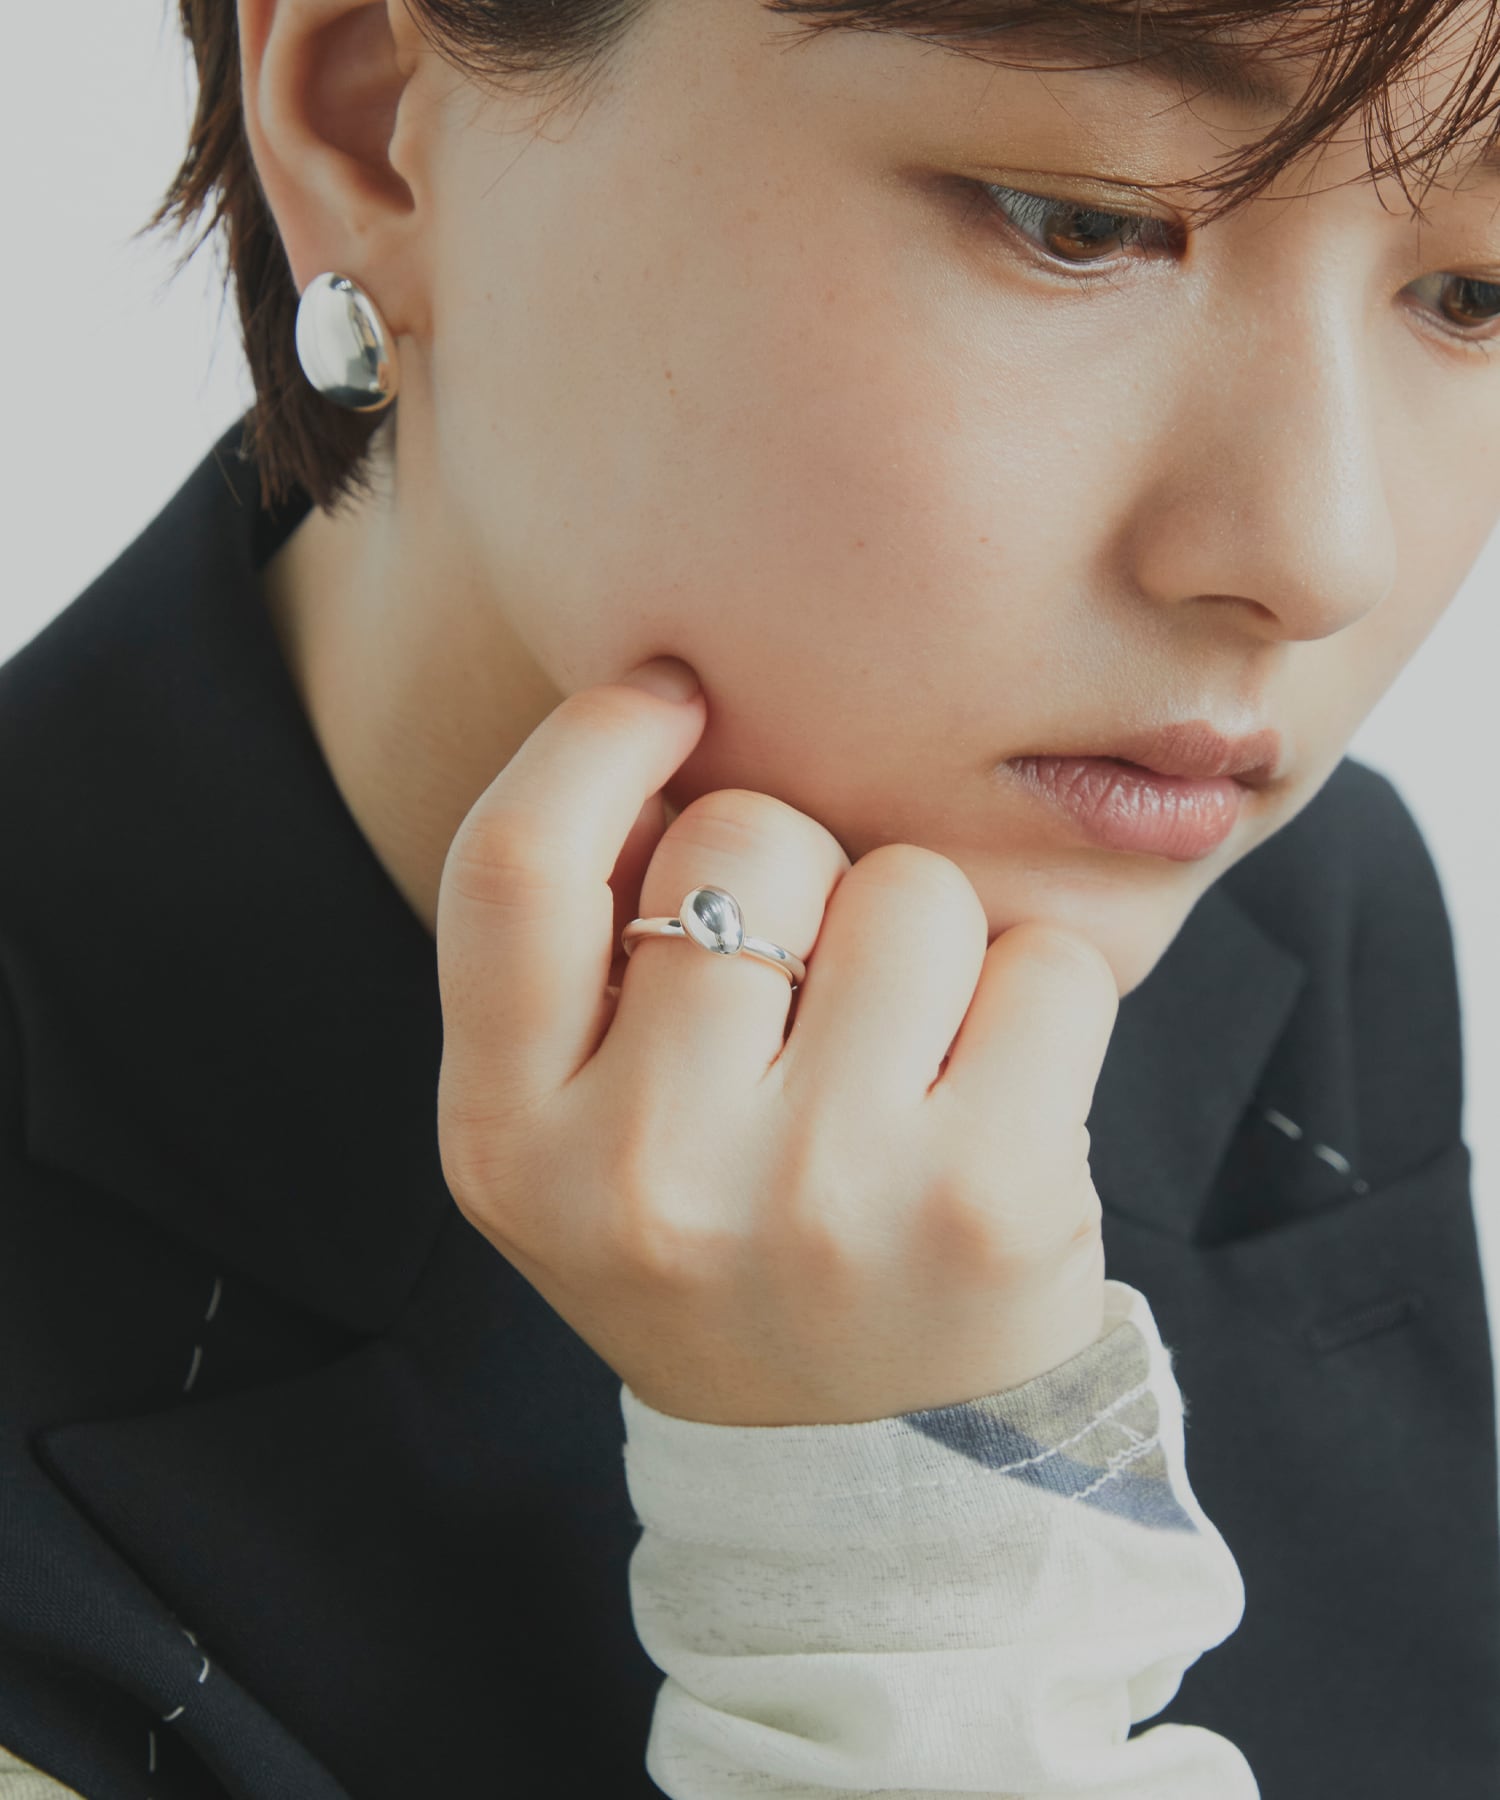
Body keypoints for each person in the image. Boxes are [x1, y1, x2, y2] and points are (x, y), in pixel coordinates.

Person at [1, 0, 1497, 1794]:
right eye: (1082, 221)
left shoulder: (1300, 920)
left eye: (1474, 294)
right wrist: (914, 1614)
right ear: (372, 115)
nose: (1325, 552)